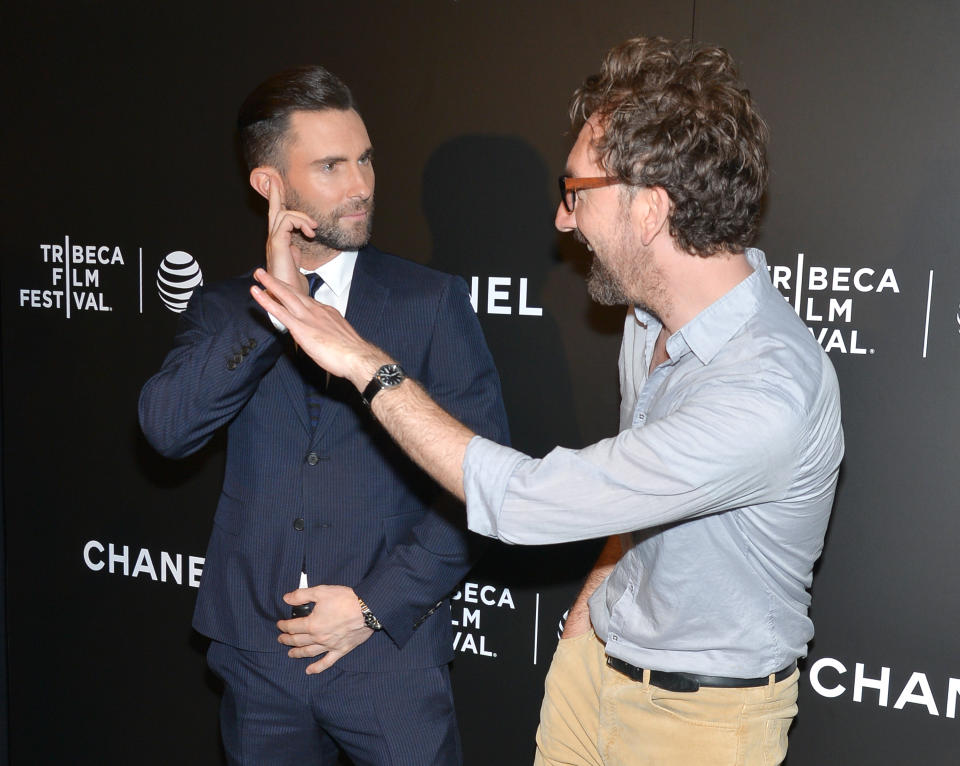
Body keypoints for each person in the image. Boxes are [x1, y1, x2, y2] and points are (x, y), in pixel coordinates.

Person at [250, 37, 845, 765]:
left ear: (650, 209)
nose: (564, 222)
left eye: (577, 193)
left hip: (700, 725)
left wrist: (366, 365)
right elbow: (644, 493)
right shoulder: (649, 320)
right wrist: (591, 610)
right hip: (595, 671)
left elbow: (527, 501)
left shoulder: (763, 394)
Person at [139, 65, 508, 766]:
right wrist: (270, 312)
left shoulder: (430, 303)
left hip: (390, 656)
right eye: (332, 165)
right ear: (269, 185)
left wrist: (373, 607)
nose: (361, 184)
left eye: (364, 158)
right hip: (258, 658)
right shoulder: (227, 312)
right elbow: (166, 429)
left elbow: (480, 479)